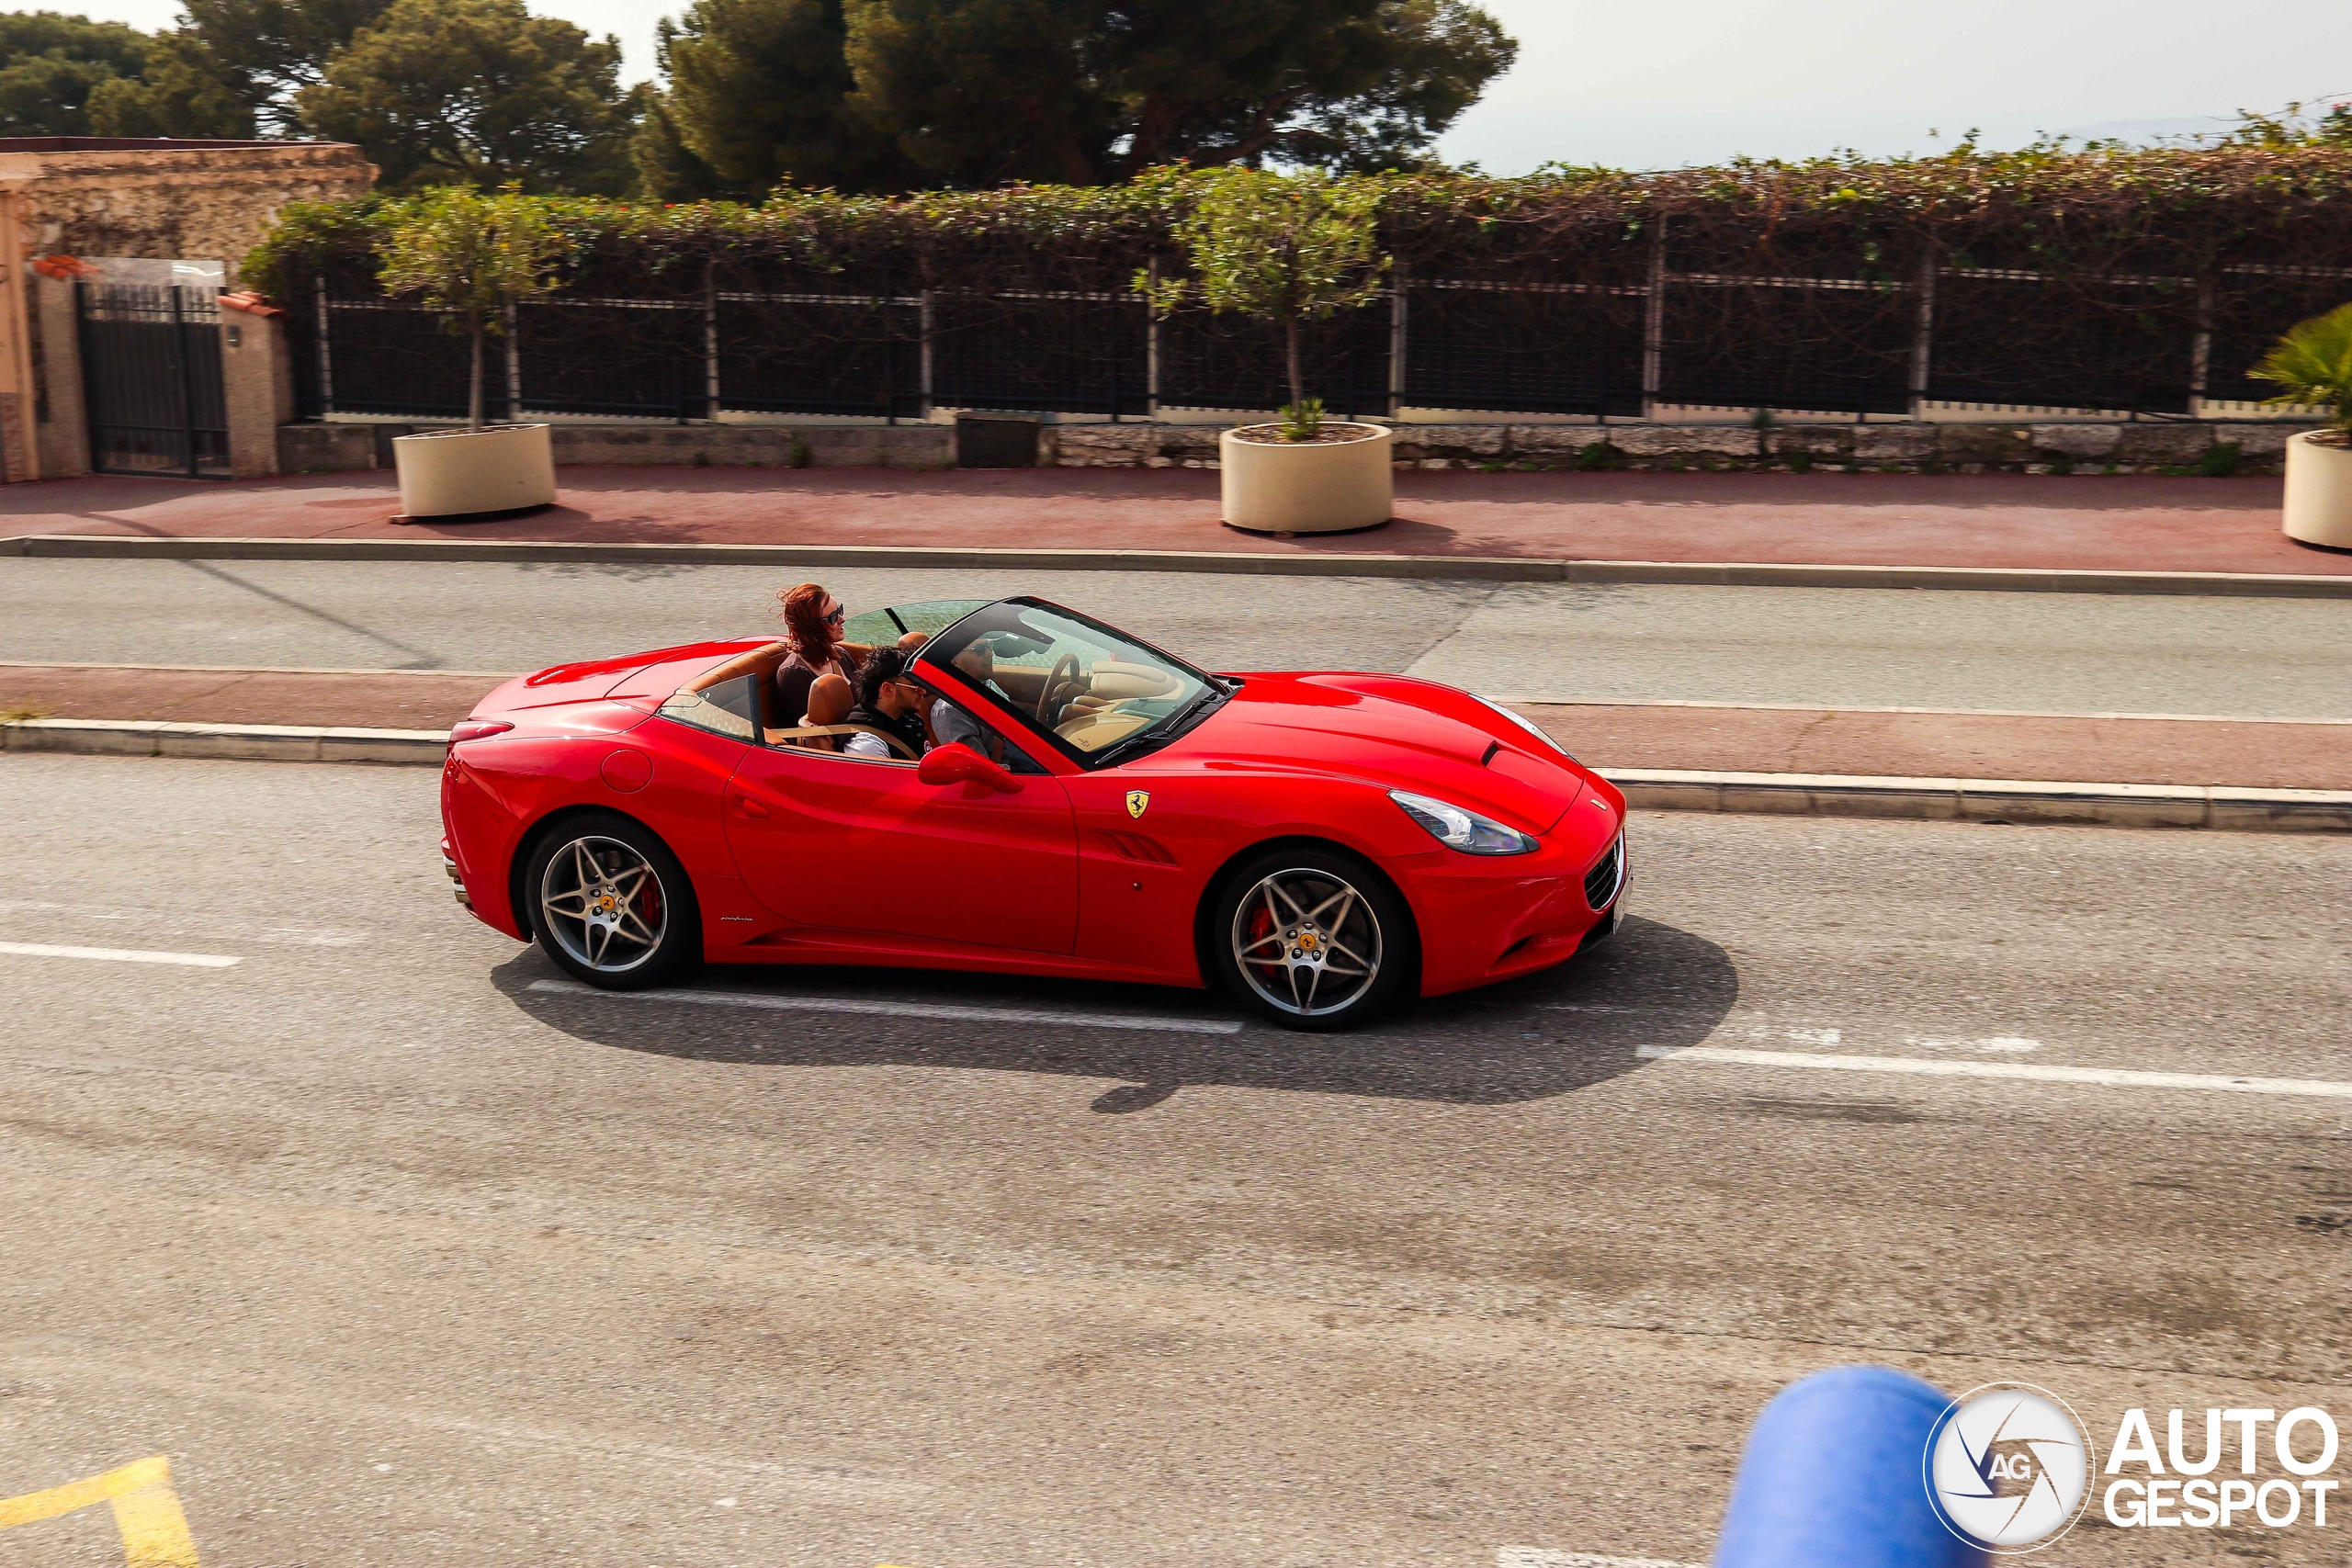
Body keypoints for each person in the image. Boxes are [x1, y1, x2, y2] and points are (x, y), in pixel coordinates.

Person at [842, 648, 931, 761]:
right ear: (888, 689)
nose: (923, 691)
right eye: (915, 687)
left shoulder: (904, 719)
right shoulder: (868, 745)